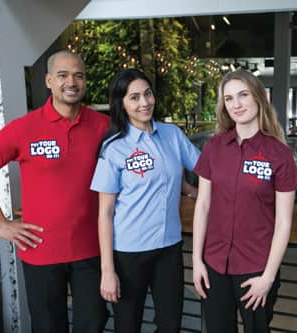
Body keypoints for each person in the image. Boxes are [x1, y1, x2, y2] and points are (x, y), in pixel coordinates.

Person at [0, 50, 109, 332]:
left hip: (91, 250)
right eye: (63, 75)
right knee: (47, 327)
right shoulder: (25, 128)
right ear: (48, 81)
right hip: (40, 251)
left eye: (78, 75)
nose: (72, 82)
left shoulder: (102, 126)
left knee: (92, 324)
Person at [90, 68, 200, 333]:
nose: (144, 103)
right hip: (128, 253)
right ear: (122, 104)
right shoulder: (114, 148)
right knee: (128, 326)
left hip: (169, 247)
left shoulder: (172, 135)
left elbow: (204, 169)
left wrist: (195, 192)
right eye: (134, 97)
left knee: (170, 325)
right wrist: (107, 270)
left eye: (147, 94)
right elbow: (104, 213)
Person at [192, 69, 297, 333]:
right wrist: (197, 262)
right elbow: (203, 205)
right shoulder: (213, 148)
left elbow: (284, 223)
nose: (236, 104)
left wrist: (268, 277)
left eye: (243, 95)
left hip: (257, 268)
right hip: (214, 265)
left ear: (258, 97)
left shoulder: (280, 155)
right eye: (229, 99)